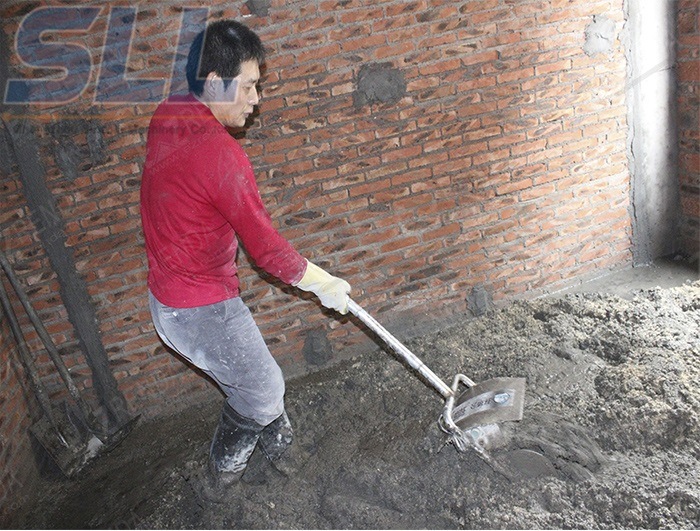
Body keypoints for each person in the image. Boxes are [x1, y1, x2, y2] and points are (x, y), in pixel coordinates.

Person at [139, 19, 351, 494]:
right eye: (251, 86)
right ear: (215, 81)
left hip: (170, 296)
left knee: (253, 375)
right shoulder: (222, 154)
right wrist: (324, 283)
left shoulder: (169, 112)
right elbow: (268, 251)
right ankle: (217, 484)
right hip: (197, 307)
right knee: (261, 388)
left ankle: (279, 449)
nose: (257, 99)